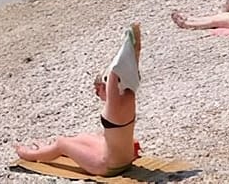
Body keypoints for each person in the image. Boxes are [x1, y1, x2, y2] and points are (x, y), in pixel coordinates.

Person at [12, 25, 143, 177]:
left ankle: (30, 155)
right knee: (84, 137)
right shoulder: (129, 94)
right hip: (127, 159)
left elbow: (115, 70)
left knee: (62, 142)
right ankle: (48, 150)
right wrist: (134, 47)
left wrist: (127, 45)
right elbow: (131, 71)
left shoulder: (113, 105)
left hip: (107, 166)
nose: (97, 95)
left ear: (104, 86)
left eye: (98, 91)